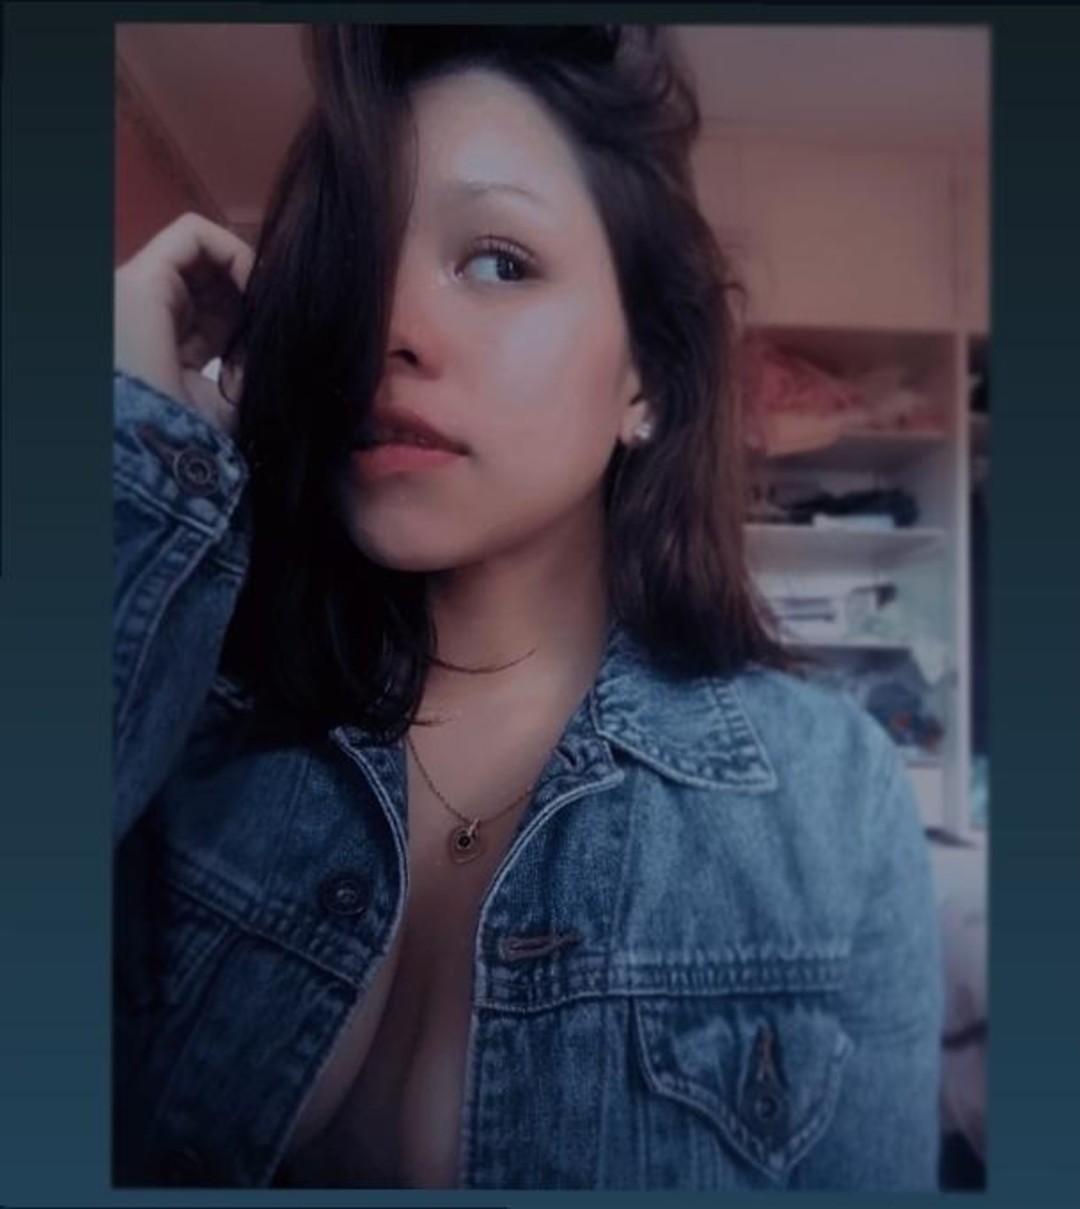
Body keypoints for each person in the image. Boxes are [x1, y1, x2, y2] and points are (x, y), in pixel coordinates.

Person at [112, 24, 944, 1191]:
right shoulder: (192, 713)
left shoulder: (831, 800)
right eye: (353, 266)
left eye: (498, 261)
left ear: (647, 380)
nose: (385, 329)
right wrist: (124, 460)